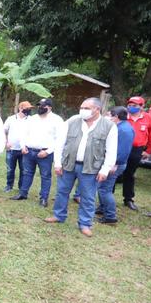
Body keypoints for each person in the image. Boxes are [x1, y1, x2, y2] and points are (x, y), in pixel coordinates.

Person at [47, 98, 117, 237]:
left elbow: (111, 150)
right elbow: (60, 142)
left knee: (88, 196)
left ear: (97, 109)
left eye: (86, 108)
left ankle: (85, 224)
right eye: (82, 107)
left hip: (91, 168)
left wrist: (105, 169)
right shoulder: (73, 120)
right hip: (68, 164)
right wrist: (58, 163)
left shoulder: (109, 126)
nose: (82, 110)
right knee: (62, 191)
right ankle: (58, 215)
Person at [11, 98, 64, 207]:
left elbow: (60, 139)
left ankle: (43, 198)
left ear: (49, 107)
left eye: (43, 106)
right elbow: (24, 133)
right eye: (39, 105)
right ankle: (23, 193)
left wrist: (48, 151)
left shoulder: (57, 120)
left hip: (45, 153)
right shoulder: (32, 119)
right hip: (29, 151)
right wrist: (23, 146)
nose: (40, 107)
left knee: (45, 176)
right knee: (27, 173)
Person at [96, 106, 135, 224]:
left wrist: (114, 164)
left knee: (104, 189)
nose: (109, 117)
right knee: (103, 187)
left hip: (116, 164)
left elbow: (123, 150)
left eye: (110, 115)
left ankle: (110, 216)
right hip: (115, 163)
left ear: (116, 117)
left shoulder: (123, 130)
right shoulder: (122, 127)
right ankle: (102, 208)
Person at [121, 96, 151, 211]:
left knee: (130, 174)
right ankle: (106, 198)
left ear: (142, 106)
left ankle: (128, 199)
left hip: (137, 149)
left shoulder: (149, 118)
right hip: (120, 147)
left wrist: (148, 151)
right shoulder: (123, 115)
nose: (131, 107)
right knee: (113, 172)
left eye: (134, 106)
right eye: (129, 105)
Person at [3, 101, 33, 193]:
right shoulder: (11, 119)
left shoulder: (31, 120)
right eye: (27, 108)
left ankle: (21, 187)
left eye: (30, 109)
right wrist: (6, 142)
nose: (29, 110)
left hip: (24, 149)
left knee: (23, 169)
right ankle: (9, 185)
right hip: (11, 149)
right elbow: (3, 131)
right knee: (10, 169)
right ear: (20, 108)